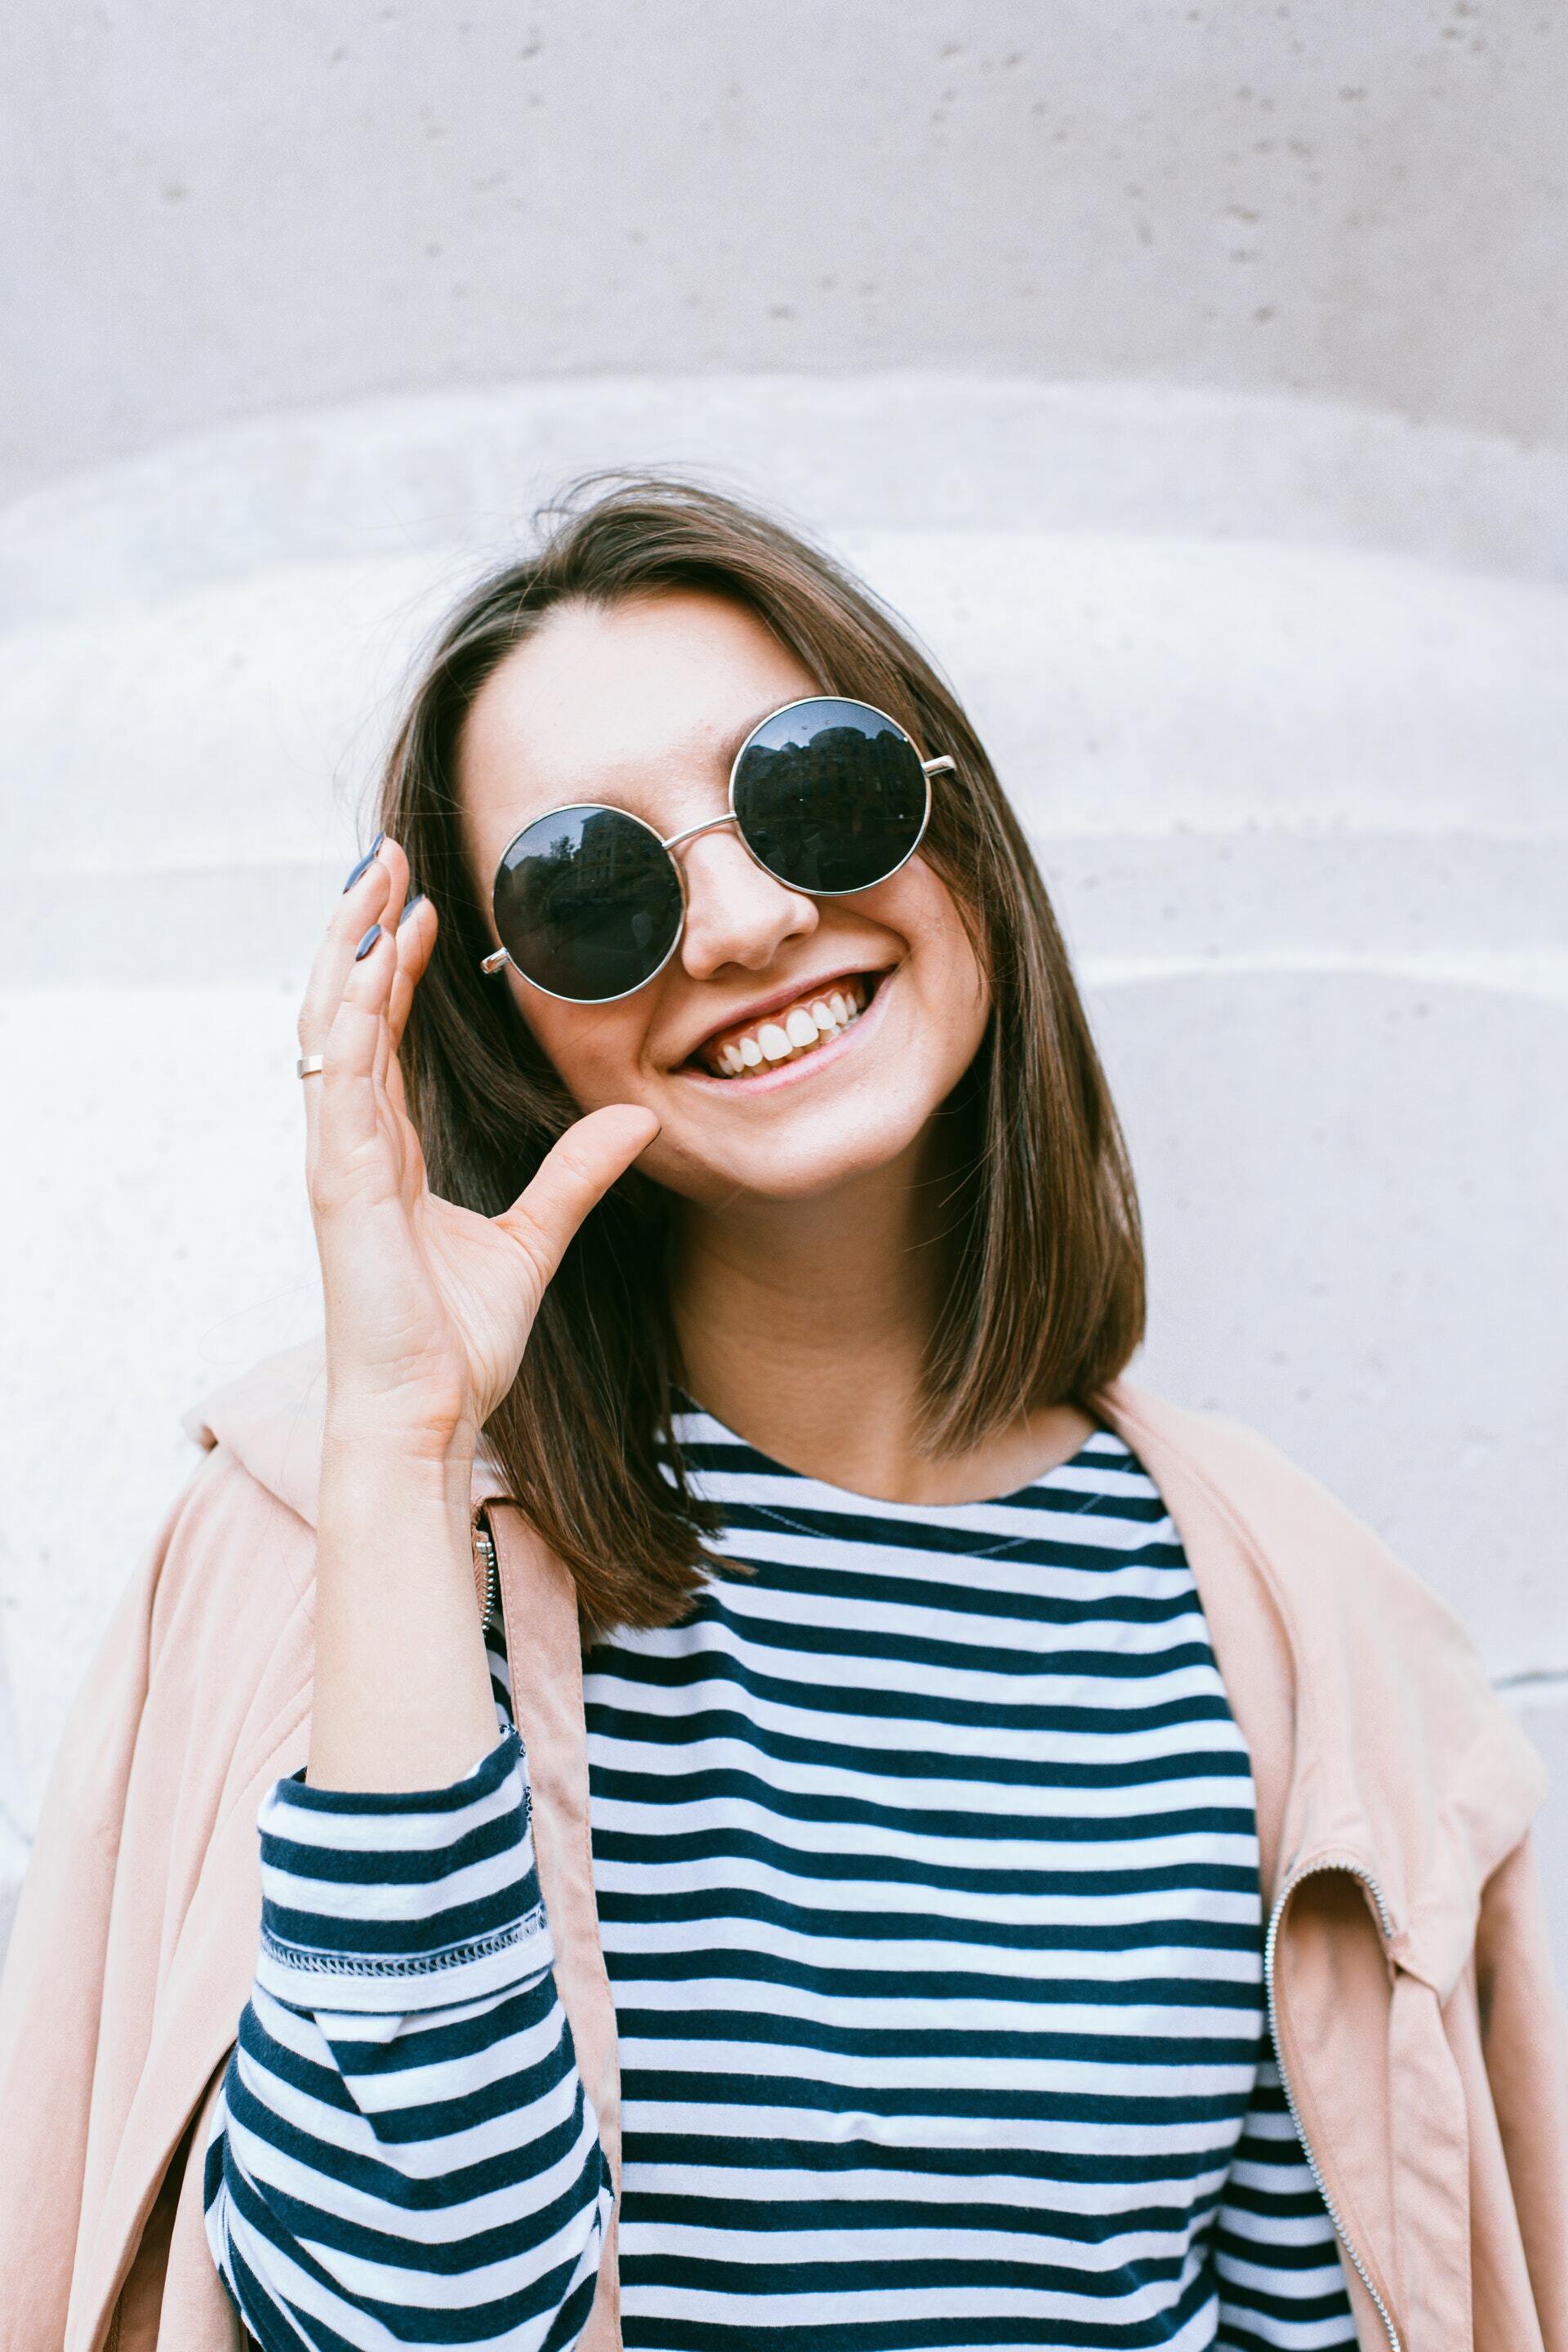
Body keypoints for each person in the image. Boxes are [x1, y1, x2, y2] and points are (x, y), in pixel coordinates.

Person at [2, 474, 1564, 2352]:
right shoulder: (340, 1543)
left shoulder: (1299, 1621)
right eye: (596, 890)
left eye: (813, 790)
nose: (742, 922)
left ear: (959, 831)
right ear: (504, 1026)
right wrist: (399, 1449)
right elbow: (421, 2322)